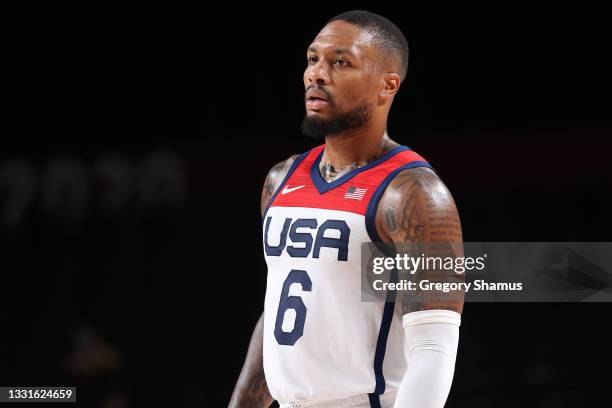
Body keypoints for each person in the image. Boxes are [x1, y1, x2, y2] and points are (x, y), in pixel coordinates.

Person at [230, 10, 464, 408]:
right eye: (312, 59)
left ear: (387, 86)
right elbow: (276, 317)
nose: (316, 74)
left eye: (340, 62)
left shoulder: (414, 193)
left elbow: (432, 353)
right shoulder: (281, 179)